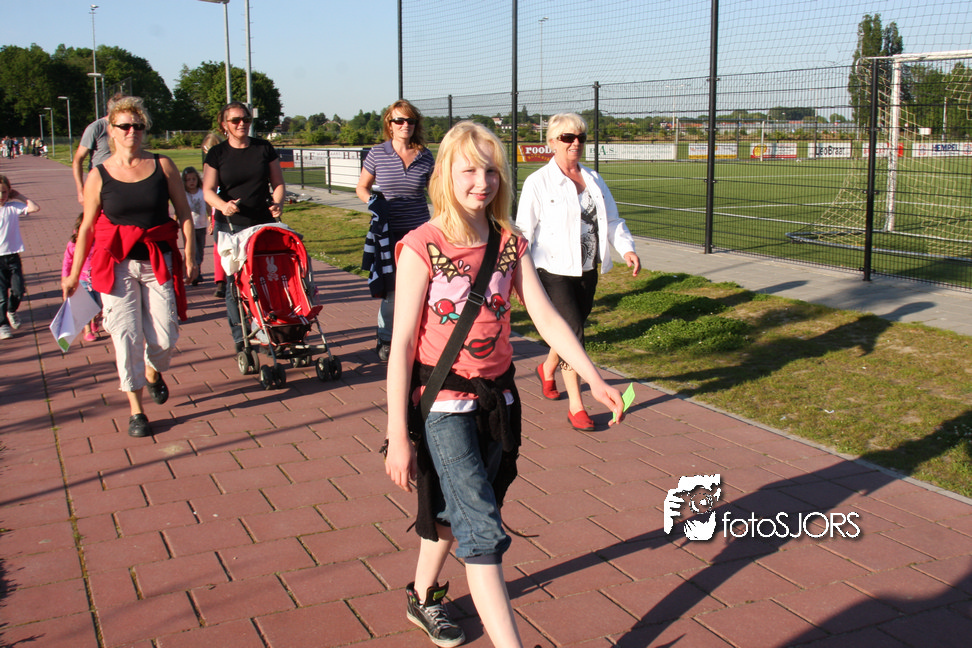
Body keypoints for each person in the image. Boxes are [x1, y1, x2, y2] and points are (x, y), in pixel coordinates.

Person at [384, 121, 625, 648]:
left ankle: (422, 596)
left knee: (459, 509)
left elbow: (546, 315)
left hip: (498, 401)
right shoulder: (421, 246)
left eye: (491, 171)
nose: (482, 182)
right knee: (481, 528)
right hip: (442, 405)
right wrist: (398, 436)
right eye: (468, 170)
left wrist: (593, 378)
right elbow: (401, 345)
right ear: (445, 175)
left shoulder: (509, 242)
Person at [61, 96, 198, 438]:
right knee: (125, 336)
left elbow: (183, 213)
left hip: (157, 261)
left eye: (138, 126)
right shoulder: (99, 175)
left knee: (165, 335)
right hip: (116, 265)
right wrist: (74, 274)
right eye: (124, 126)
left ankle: (152, 370)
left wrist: (191, 254)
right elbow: (88, 229)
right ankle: (137, 411)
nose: (132, 132)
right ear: (110, 130)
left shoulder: (163, 165)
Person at [515, 112, 642, 432]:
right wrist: (515, 276)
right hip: (551, 269)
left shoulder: (594, 179)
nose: (575, 143)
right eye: (567, 138)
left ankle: (547, 368)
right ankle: (577, 405)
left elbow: (612, 220)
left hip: (587, 269)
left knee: (569, 329)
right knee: (573, 333)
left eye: (581, 137)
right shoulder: (538, 182)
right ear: (551, 142)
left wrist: (626, 248)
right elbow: (523, 232)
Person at [356, 99, 435, 361]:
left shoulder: (425, 155)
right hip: (388, 232)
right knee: (392, 289)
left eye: (410, 120)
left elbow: (436, 191)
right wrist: (372, 202)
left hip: (419, 232)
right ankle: (386, 338)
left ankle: (420, 337)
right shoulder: (377, 153)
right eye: (399, 120)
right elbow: (362, 187)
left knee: (422, 286)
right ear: (389, 125)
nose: (405, 125)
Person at [203, 102, 285, 351]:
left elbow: (278, 183)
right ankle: (242, 337)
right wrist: (223, 205)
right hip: (230, 226)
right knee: (235, 284)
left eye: (246, 119)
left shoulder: (263, 148)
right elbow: (208, 190)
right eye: (235, 120)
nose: (242, 124)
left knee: (264, 279)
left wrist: (278, 203)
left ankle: (266, 331)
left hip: (261, 224)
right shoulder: (217, 153)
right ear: (224, 125)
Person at [0, 175, 40, 340]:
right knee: (1, 296)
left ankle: (11, 311)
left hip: (12, 256)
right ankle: (3, 325)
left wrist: (20, 196)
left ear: (9, 192)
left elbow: (34, 208)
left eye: (4, 192)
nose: (1, 195)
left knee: (18, 290)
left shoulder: (13, 207)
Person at [72, 94, 121, 204]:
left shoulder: (128, 129)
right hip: (100, 183)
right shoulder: (96, 127)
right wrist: (80, 190)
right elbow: (78, 160)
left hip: (122, 181)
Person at [62, 214, 103, 342]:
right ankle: (87, 330)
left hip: (98, 280)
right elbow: (67, 261)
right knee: (86, 306)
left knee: (99, 306)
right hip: (82, 280)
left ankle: (95, 320)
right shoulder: (74, 244)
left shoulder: (98, 242)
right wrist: (65, 277)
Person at [200, 132, 227, 298]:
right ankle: (221, 281)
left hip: (227, 206)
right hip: (217, 209)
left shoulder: (225, 161)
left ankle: (229, 279)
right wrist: (210, 218)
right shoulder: (209, 165)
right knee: (218, 246)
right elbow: (207, 192)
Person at [182, 167, 208, 286]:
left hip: (201, 225)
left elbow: (208, 207)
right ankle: (194, 273)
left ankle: (198, 269)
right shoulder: (184, 194)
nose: (191, 182)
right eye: (188, 180)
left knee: (200, 250)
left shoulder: (202, 192)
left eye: (194, 179)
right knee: (194, 249)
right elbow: (179, 209)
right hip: (189, 226)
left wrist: (210, 220)